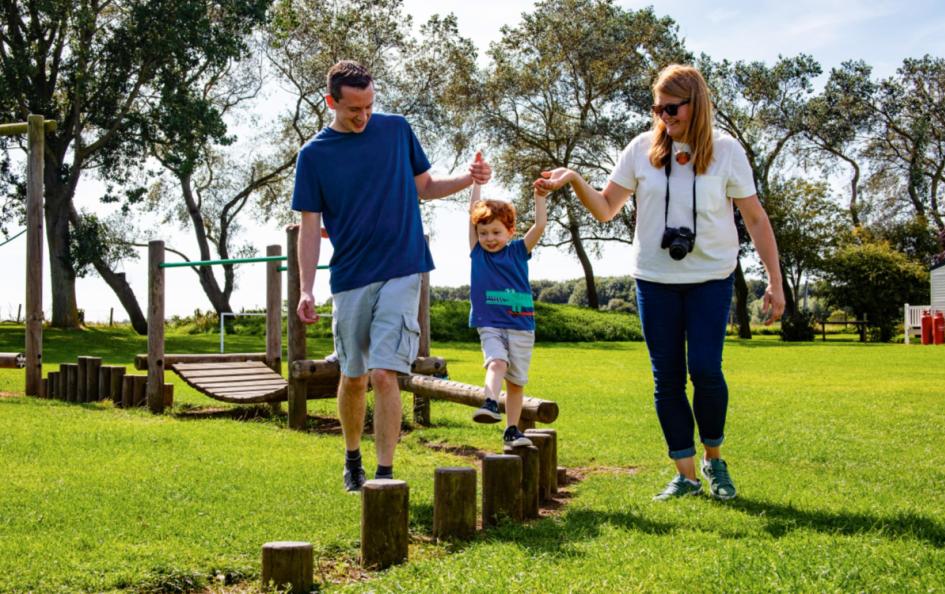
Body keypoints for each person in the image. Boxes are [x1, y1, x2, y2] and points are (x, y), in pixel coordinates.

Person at [535, 64, 784, 501]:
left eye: (671, 108)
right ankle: (685, 474)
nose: (663, 117)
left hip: (710, 278)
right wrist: (574, 178)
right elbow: (607, 208)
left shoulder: (726, 152)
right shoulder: (640, 149)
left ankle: (714, 460)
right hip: (654, 279)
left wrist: (776, 282)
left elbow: (756, 218)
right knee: (666, 379)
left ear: (696, 104)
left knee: (706, 369)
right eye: (657, 108)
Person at [292, 60, 492, 492]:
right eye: (353, 110)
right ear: (331, 102)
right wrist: (306, 288)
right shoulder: (313, 156)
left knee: (385, 373)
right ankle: (352, 457)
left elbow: (425, 186)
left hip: (404, 267)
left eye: (368, 106)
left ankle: (384, 475)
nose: (363, 117)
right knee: (355, 375)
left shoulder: (397, 129)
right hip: (350, 276)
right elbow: (309, 227)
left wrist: (467, 179)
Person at [467, 155, 549, 447]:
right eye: (484, 232)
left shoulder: (517, 251)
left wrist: (539, 196)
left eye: (496, 232)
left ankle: (512, 430)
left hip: (521, 324)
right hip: (489, 323)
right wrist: (477, 183)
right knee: (497, 362)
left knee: (516, 382)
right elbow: (472, 212)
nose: (489, 238)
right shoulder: (477, 252)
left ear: (510, 231)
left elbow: (540, 226)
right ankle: (489, 402)